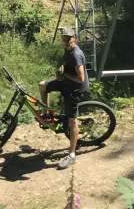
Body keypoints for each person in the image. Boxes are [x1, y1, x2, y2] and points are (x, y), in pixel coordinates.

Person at [39, 28, 88, 169]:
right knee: (43, 85)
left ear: (75, 39)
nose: (66, 41)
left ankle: (72, 155)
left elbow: (80, 78)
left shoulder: (76, 54)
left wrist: (64, 75)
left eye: (69, 39)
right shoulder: (68, 49)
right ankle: (47, 112)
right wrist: (61, 70)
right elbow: (66, 63)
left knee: (72, 122)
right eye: (64, 39)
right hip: (66, 83)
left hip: (75, 88)